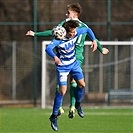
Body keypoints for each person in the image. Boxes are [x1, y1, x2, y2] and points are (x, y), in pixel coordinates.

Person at [26, 3, 109, 119]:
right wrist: (35, 34)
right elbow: (54, 32)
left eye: (68, 12)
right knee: (66, 84)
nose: (66, 14)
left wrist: (100, 48)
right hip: (64, 57)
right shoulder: (65, 25)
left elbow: (90, 34)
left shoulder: (78, 26)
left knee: (74, 82)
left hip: (76, 58)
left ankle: (73, 106)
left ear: (74, 14)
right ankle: (64, 107)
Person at [45, 20, 97, 131]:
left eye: (74, 32)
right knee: (62, 91)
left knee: (82, 85)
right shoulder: (58, 39)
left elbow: (87, 29)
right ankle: (53, 116)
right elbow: (48, 48)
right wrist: (54, 57)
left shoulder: (76, 32)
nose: (73, 34)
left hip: (74, 64)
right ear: (65, 32)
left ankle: (78, 105)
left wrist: (94, 40)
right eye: (71, 33)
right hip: (62, 67)